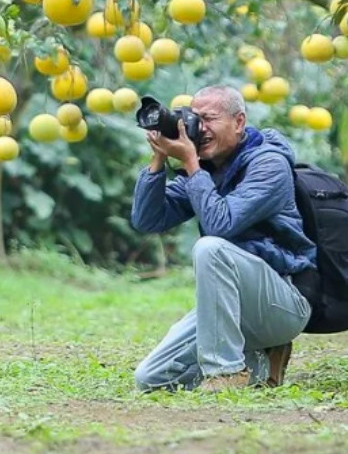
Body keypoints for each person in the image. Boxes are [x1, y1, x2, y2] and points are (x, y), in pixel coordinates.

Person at [130, 84, 316, 392]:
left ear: (239, 122)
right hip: (228, 308)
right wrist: (159, 160)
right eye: (193, 118)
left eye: (209, 119)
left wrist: (191, 164)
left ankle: (226, 372)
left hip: (284, 301)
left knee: (210, 248)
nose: (198, 128)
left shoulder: (268, 164)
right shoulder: (206, 169)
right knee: (150, 378)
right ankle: (257, 363)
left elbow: (221, 224)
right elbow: (147, 220)